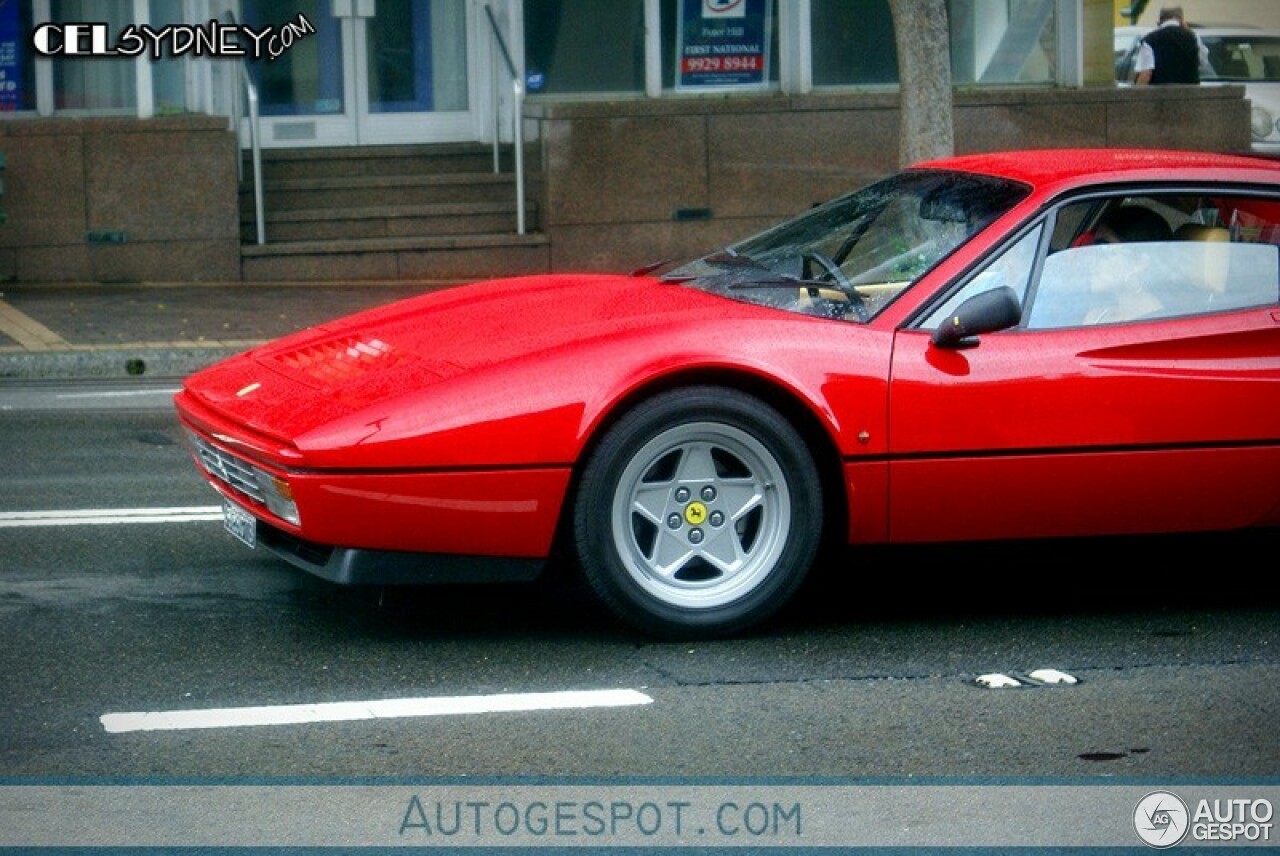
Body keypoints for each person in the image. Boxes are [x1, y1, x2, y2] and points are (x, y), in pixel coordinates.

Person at [1133, 6, 1208, 85]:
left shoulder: (1150, 40)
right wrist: (1188, 30)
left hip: (1160, 94)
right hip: (1190, 94)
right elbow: (1203, 61)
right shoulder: (1193, 37)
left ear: (1160, 19)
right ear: (1181, 19)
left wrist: (1136, 95)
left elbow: (1146, 73)